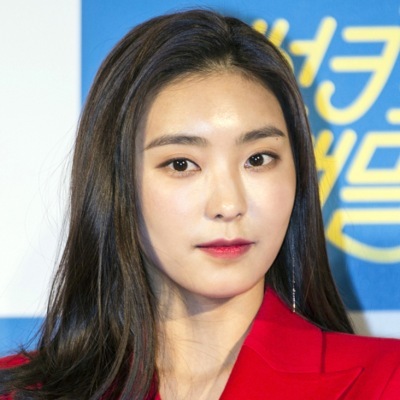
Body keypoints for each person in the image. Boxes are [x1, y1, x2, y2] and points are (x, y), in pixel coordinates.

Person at [1, 9, 400, 400]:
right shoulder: (17, 392)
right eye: (181, 164)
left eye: (258, 159)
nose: (228, 205)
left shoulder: (385, 380)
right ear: (116, 183)